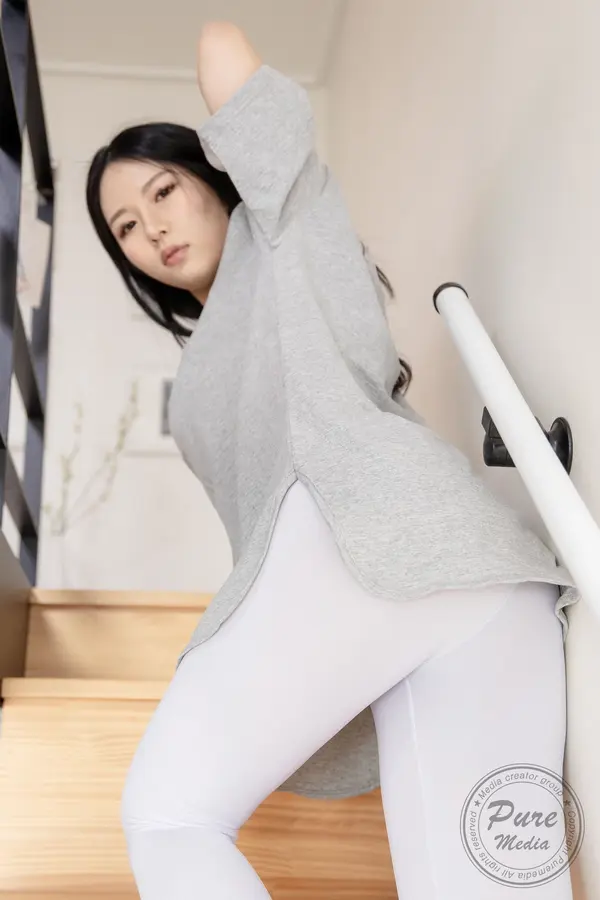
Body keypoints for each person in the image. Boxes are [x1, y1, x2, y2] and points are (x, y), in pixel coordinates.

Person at [86, 20, 581, 899]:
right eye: (125, 226)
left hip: (376, 543)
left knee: (169, 815)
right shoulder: (201, 364)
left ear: (216, 170)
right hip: (480, 583)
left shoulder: (281, 216)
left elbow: (224, 51)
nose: (152, 228)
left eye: (164, 190)